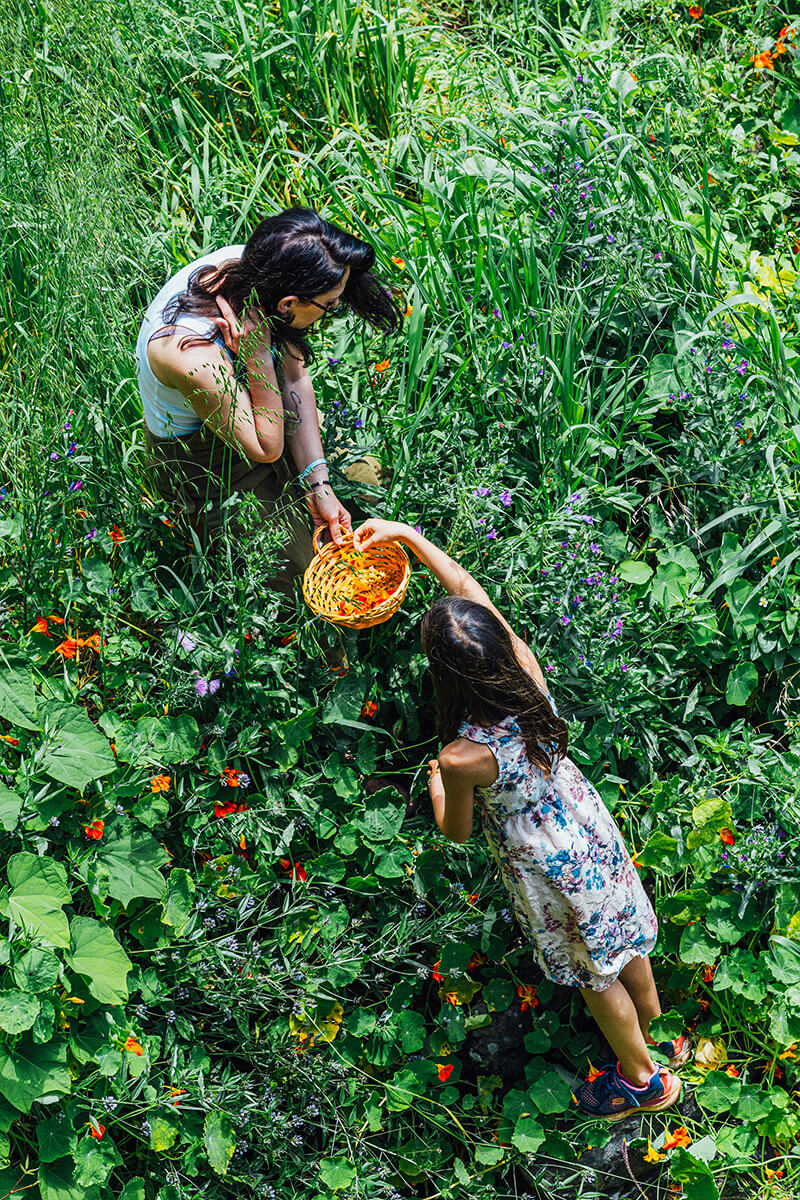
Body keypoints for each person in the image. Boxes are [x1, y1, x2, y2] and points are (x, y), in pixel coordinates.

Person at [351, 517, 691, 1121]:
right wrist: (407, 535)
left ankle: (642, 1079)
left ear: (446, 677)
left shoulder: (462, 756)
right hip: (587, 831)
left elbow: (454, 830)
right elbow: (466, 586)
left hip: (547, 865)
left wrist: (436, 785)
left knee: (594, 975)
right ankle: (661, 1032)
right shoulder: (524, 671)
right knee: (619, 939)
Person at [135, 208, 400, 590]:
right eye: (331, 305)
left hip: (258, 410)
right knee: (304, 573)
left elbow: (294, 374)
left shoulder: (263, 268)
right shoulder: (187, 352)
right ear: (290, 303)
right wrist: (257, 357)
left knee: (365, 482)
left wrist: (317, 485)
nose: (333, 314)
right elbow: (266, 446)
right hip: (208, 464)